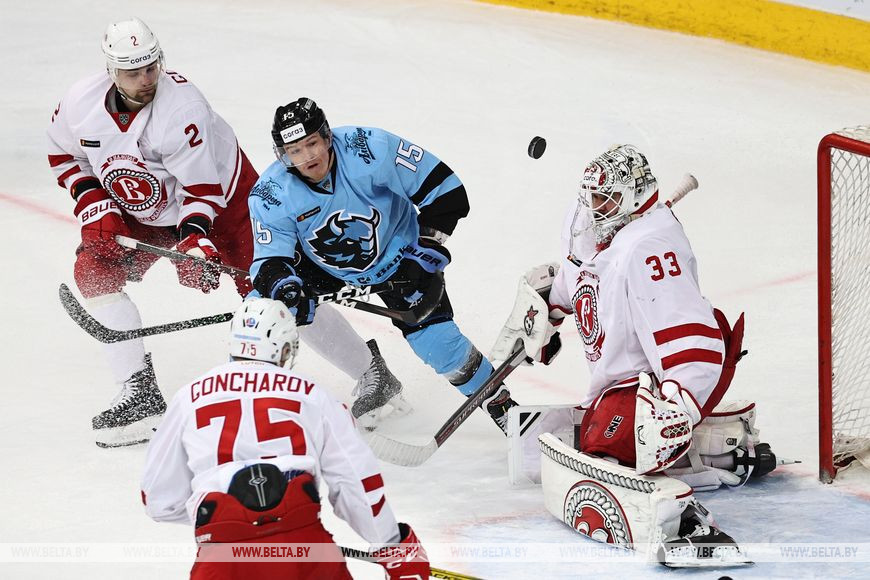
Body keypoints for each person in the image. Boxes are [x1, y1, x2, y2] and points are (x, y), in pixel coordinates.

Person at [46, 18, 403, 448]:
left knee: (278, 289)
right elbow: (63, 154)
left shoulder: (182, 109)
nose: (146, 79)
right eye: (133, 71)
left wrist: (195, 240)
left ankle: (372, 373)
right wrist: (94, 203)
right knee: (94, 271)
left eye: (151, 67)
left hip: (229, 202)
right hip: (141, 208)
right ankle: (138, 394)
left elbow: (201, 190)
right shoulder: (80, 104)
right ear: (111, 70)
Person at [491, 144, 779, 567]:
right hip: (626, 381)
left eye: (604, 199)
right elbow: (583, 274)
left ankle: (682, 521)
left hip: (672, 376)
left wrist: (678, 404)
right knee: (589, 431)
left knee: (603, 443)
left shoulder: (651, 248)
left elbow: (691, 334)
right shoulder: (593, 225)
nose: (594, 208)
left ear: (635, 197)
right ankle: (716, 449)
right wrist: (548, 306)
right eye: (591, 197)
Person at [248, 97, 527, 433]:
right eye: (295, 151)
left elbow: (447, 192)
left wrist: (425, 255)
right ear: (283, 154)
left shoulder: (369, 148)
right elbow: (269, 261)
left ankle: (504, 408)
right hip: (327, 269)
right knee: (261, 311)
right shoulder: (271, 194)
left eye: (312, 143)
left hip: (402, 257)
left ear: (327, 136)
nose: (308, 157)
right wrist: (286, 288)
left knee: (438, 344)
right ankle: (252, 412)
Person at [141, 298, 429, 579]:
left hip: (223, 557)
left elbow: (158, 500)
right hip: (305, 549)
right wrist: (393, 546)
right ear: (286, 347)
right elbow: (358, 483)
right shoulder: (313, 395)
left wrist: (231, 522)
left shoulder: (188, 398)